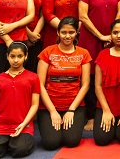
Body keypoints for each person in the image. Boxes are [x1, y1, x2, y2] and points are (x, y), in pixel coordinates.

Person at [37, 17, 92, 150]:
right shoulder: (47, 52)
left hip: (74, 106)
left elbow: (85, 85)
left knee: (71, 141)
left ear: (77, 33)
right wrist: (52, 111)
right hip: (48, 106)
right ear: (58, 33)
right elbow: (40, 84)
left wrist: (71, 110)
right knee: (51, 143)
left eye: (71, 32)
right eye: (64, 32)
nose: (67, 36)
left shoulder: (83, 54)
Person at [0, 42, 39, 159]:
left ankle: (10, 143)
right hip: (1, 125)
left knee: (20, 150)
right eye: (12, 56)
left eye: (20, 56)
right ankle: (6, 142)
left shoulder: (33, 77)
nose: (16, 60)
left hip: (23, 125)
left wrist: (24, 124)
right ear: (7, 56)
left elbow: (35, 104)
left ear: (26, 56)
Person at [19, 0, 48, 72]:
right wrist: (28, 34)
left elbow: (44, 13)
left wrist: (34, 34)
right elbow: (15, 13)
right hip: (19, 32)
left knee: (33, 71)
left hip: (38, 35)